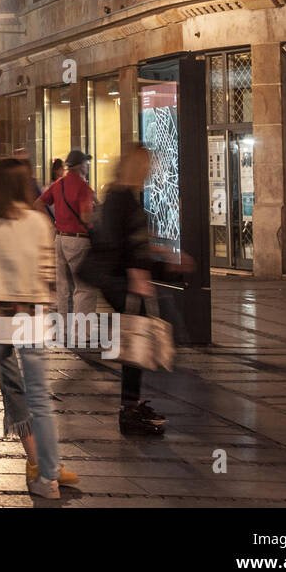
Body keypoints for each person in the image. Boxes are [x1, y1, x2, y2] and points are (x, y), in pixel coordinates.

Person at [0, 158, 74, 500]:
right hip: (33, 318)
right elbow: (47, 270)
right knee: (39, 399)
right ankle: (49, 479)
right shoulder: (38, 222)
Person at [95, 144, 170, 437]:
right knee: (134, 345)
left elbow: (127, 238)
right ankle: (129, 410)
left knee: (133, 345)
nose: (151, 168)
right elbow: (118, 242)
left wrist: (152, 251)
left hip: (125, 279)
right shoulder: (121, 198)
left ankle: (132, 405)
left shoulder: (122, 196)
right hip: (124, 281)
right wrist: (136, 270)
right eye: (147, 164)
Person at [36, 148, 98, 340]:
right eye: (86, 163)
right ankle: (82, 332)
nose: (87, 166)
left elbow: (38, 203)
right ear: (80, 166)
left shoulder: (58, 184)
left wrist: (51, 222)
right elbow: (87, 216)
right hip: (78, 240)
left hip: (60, 238)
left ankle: (62, 330)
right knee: (84, 287)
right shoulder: (84, 187)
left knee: (63, 287)